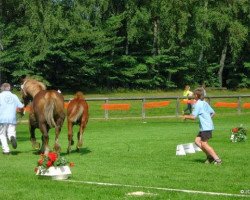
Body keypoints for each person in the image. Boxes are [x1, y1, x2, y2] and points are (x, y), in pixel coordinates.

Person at [182, 87, 222, 164]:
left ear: (196, 95)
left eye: (194, 94)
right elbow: (213, 113)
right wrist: (207, 120)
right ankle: (209, 157)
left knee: (204, 144)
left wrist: (185, 116)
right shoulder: (204, 102)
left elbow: (193, 117)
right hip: (207, 126)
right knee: (197, 141)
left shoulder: (198, 104)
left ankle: (217, 159)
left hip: (206, 127)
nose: (193, 96)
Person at [0, 83, 24, 154]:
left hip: (2, 118)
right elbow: (20, 106)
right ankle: (11, 137)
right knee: (11, 132)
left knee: (2, 134)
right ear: (9, 88)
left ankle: (6, 150)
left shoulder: (0, 96)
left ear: (2, 88)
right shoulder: (14, 96)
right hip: (12, 118)